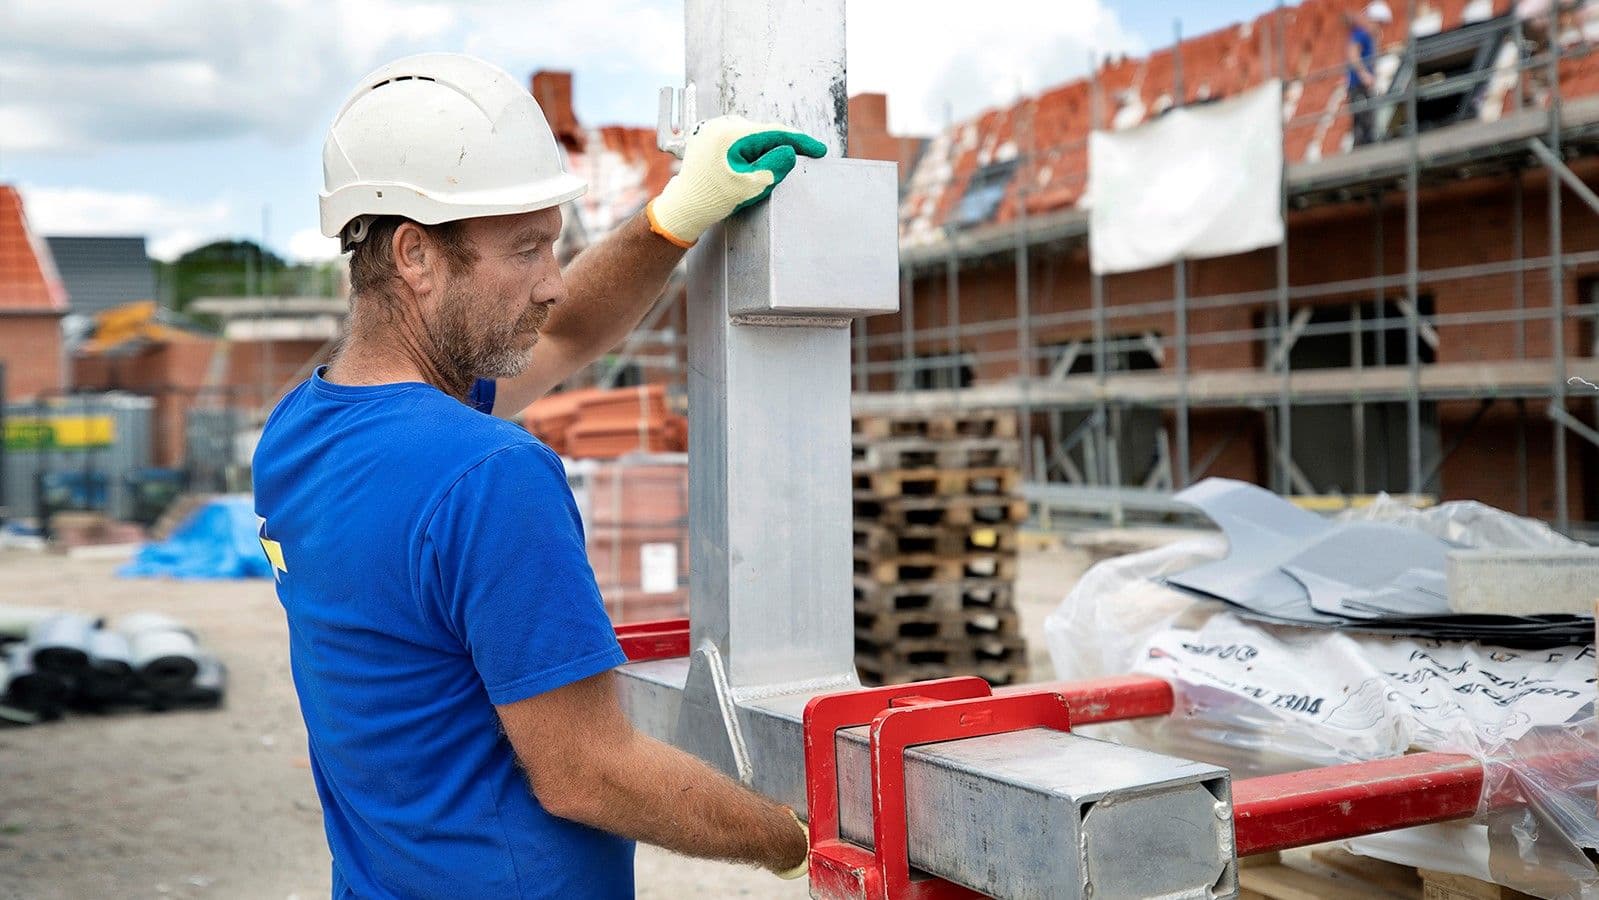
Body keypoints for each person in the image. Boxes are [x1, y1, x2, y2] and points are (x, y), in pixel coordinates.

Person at [252, 53, 827, 898]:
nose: (552, 283)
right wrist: (790, 838)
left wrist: (676, 215)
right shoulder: (489, 474)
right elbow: (589, 771)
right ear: (415, 254)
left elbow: (563, 338)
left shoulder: (299, 430)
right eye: (526, 250)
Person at [1347, 1, 1392, 147]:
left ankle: (1367, 148)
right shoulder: (1362, 33)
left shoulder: (1370, 36)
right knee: (1362, 121)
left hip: (1364, 84)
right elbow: (1353, 53)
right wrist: (1363, 74)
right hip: (1357, 85)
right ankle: (1362, 152)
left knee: (1369, 119)